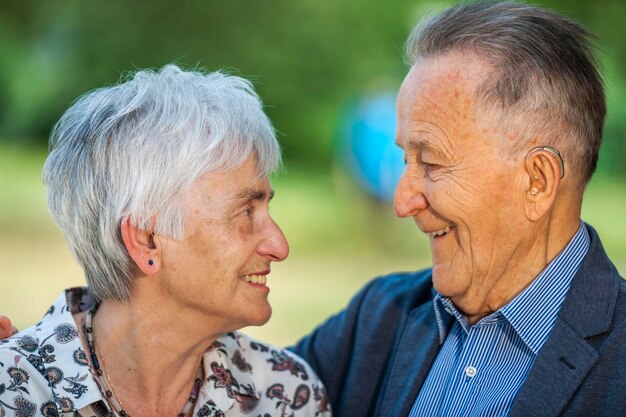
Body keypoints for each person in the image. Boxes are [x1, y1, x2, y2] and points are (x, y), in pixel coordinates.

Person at [289, 2, 626, 417]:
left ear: (537, 180)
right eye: (405, 160)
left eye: (431, 163)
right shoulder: (378, 318)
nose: (401, 202)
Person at [0, 65, 331, 417]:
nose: (279, 246)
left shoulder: (286, 395)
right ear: (146, 241)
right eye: (246, 211)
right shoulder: (15, 392)